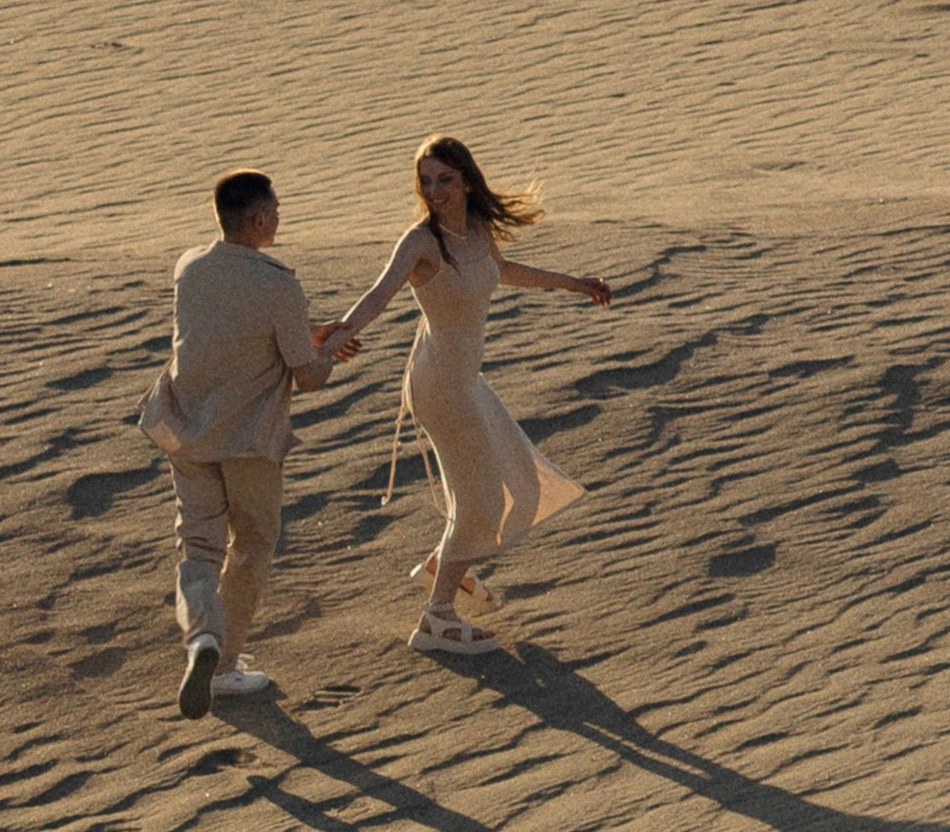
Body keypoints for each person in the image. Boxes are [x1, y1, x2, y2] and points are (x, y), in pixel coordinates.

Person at [329, 134, 609, 659]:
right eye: (426, 182)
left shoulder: (476, 230)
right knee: (479, 498)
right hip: (438, 385)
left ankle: (442, 565)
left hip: (466, 382)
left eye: (445, 180)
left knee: (519, 479)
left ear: (467, 181)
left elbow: (501, 272)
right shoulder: (420, 242)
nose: (434, 191)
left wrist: (575, 284)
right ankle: (436, 616)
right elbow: (379, 294)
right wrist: (338, 332)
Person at [141, 169, 349, 718]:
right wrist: (325, 352)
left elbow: (231, 332)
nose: (279, 217)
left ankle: (202, 639)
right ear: (258, 219)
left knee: (199, 546)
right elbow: (305, 376)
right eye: (275, 210)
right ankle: (227, 664)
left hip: (186, 430)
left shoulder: (190, 267)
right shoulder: (279, 285)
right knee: (254, 542)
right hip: (248, 439)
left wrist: (302, 335)